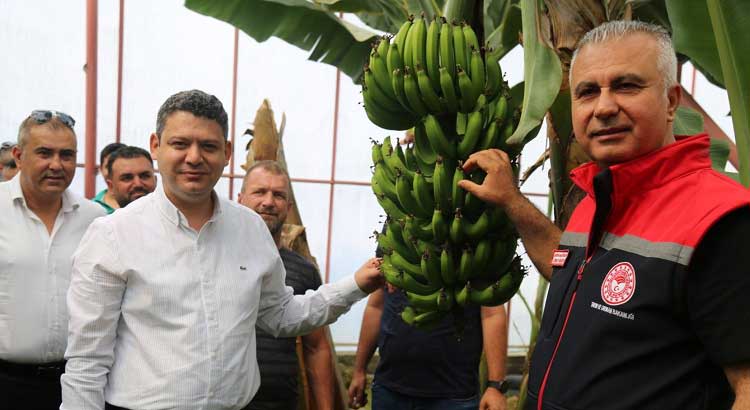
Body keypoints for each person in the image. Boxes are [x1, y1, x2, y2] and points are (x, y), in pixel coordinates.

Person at [459, 21, 750, 409]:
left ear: (671, 101)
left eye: (627, 86)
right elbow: (577, 272)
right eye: (587, 92)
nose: (604, 107)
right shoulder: (599, 197)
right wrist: (513, 202)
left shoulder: (722, 220)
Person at [61, 89, 383, 410]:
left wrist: (355, 285)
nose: (194, 157)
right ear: (156, 146)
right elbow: (87, 360)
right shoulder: (114, 235)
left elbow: (280, 315)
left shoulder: (250, 229)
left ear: (227, 152)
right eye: (180, 144)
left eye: (209, 146)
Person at [0, 110, 105, 409]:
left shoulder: (94, 219)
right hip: (6, 383)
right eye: (44, 153)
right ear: (19, 157)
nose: (57, 165)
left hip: (76, 383)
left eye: (67, 155)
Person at [238, 160, 334, 410]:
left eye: (278, 195)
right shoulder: (216, 257)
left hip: (281, 402)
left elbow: (316, 347)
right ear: (240, 199)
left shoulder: (303, 270)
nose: (268, 201)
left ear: (288, 207)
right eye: (259, 192)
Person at [347, 285, 508, 410]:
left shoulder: (475, 245)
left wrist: (495, 386)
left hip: (453, 395)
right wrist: (359, 370)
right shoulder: (392, 244)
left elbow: (492, 313)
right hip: (389, 388)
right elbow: (376, 306)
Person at [93, 142, 126, 213]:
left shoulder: (142, 204)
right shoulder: (92, 207)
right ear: (101, 169)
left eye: (120, 166)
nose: (113, 173)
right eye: (108, 167)